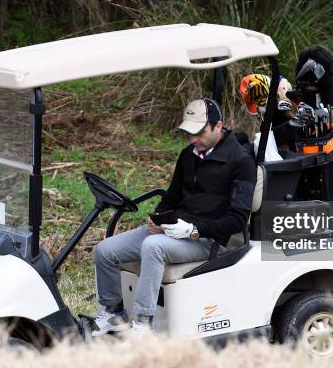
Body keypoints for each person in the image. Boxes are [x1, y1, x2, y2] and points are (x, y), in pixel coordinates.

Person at [91, 98, 257, 335]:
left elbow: (238, 220)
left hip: (211, 240)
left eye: (199, 133)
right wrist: (160, 217)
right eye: (189, 133)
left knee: (153, 246)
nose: (193, 139)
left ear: (218, 126)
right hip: (175, 230)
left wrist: (193, 230)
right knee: (105, 251)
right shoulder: (188, 155)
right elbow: (172, 197)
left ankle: (142, 324)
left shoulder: (241, 162)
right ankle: (114, 315)